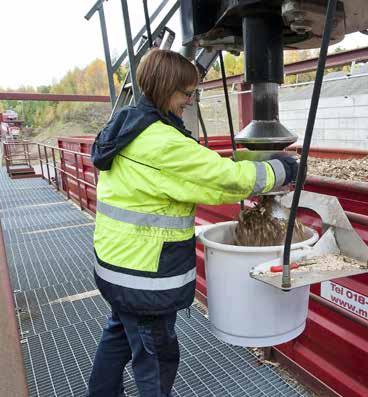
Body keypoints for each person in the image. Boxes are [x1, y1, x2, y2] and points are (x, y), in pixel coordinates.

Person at [86, 49, 297, 397]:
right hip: (145, 277)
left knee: (120, 335)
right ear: (166, 87)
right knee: (157, 357)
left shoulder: (127, 125)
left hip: (116, 265)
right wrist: (282, 170)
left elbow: (187, 183)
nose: (189, 100)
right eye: (186, 93)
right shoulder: (161, 141)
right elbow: (226, 179)